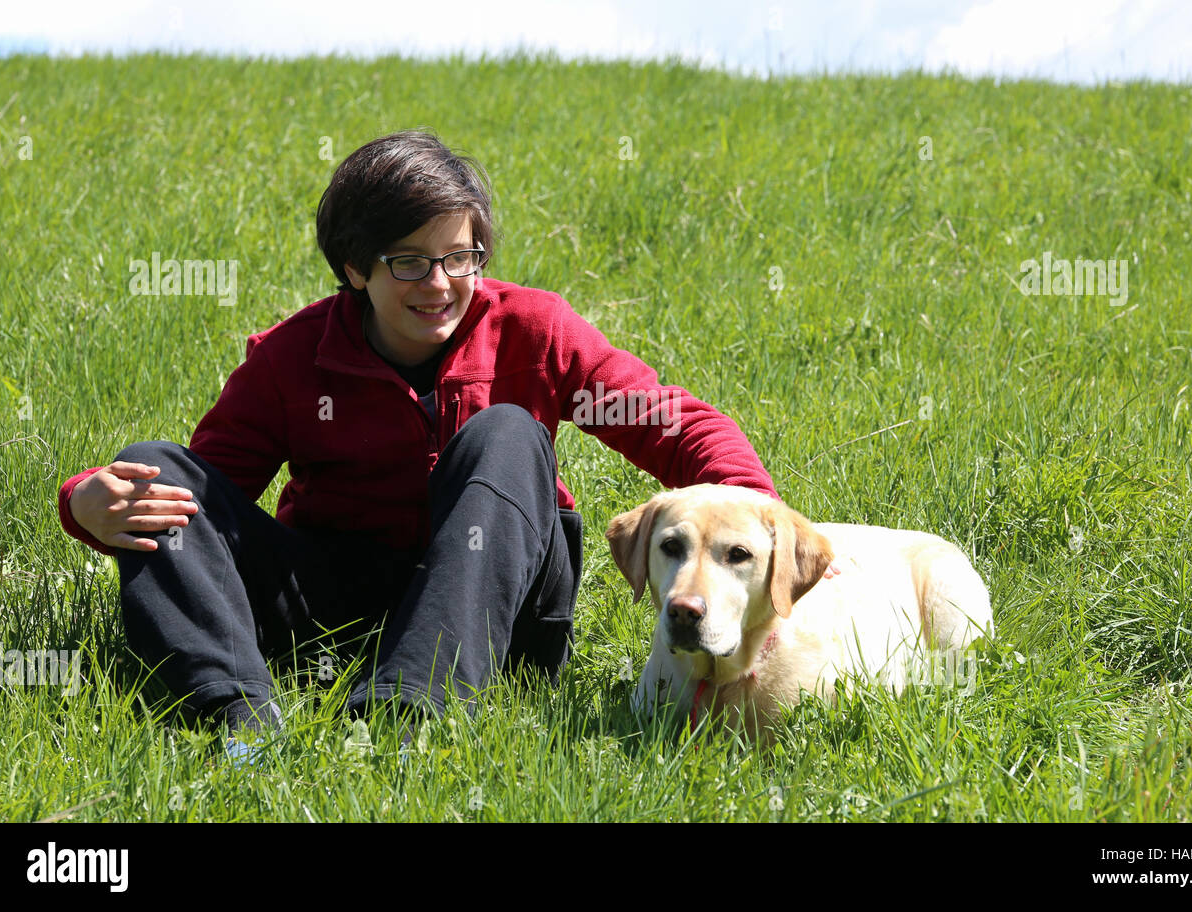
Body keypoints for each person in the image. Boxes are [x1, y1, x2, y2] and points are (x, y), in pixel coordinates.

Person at [56, 129, 780, 754]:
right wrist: (87, 502)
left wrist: (765, 524)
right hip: (331, 603)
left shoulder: (535, 328)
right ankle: (236, 720)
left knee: (508, 430)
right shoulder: (290, 358)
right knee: (156, 468)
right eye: (409, 261)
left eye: (460, 258)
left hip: (498, 606)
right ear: (353, 268)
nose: (439, 284)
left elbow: (675, 423)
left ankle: (408, 717)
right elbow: (207, 498)